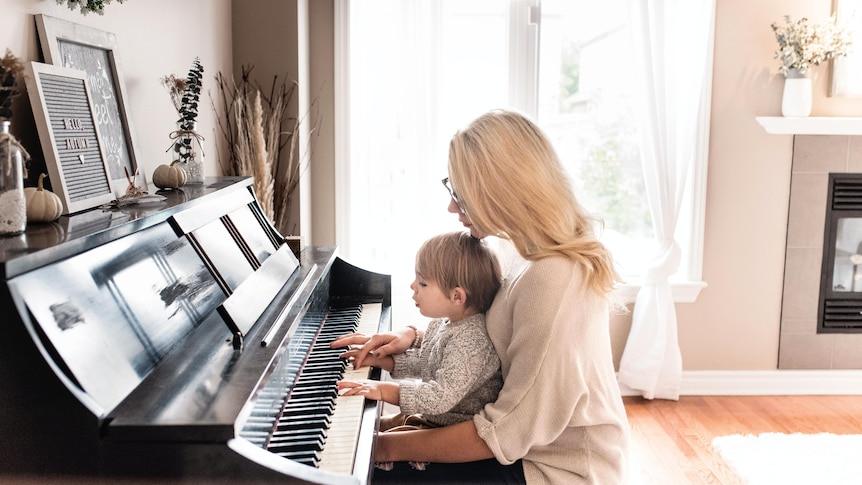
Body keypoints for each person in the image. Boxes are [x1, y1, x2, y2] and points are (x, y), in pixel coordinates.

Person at [331, 109, 631, 484]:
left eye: (462, 195)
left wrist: (377, 448)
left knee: (367, 474)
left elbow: (503, 432)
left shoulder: (552, 277)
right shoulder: (514, 249)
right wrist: (411, 340)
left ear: (501, 189)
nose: (452, 207)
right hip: (514, 444)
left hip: (552, 468)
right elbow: (486, 341)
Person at [336, 231, 503, 470]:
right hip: (437, 420)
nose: (413, 286)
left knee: (362, 450)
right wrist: (384, 361)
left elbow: (440, 397)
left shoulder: (473, 340)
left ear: (457, 296)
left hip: (448, 433)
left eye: (423, 283)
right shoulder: (447, 322)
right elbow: (427, 362)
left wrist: (385, 390)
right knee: (355, 427)